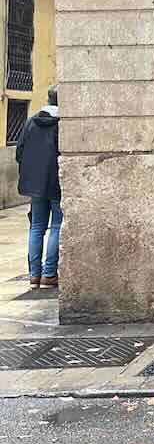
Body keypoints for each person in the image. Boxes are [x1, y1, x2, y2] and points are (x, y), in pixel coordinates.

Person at [16, 84, 61, 290]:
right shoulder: (62, 124)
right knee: (56, 226)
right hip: (56, 183)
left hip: (35, 184)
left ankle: (34, 275)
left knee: (36, 227)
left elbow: (20, 152)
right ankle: (49, 274)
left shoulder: (30, 122)